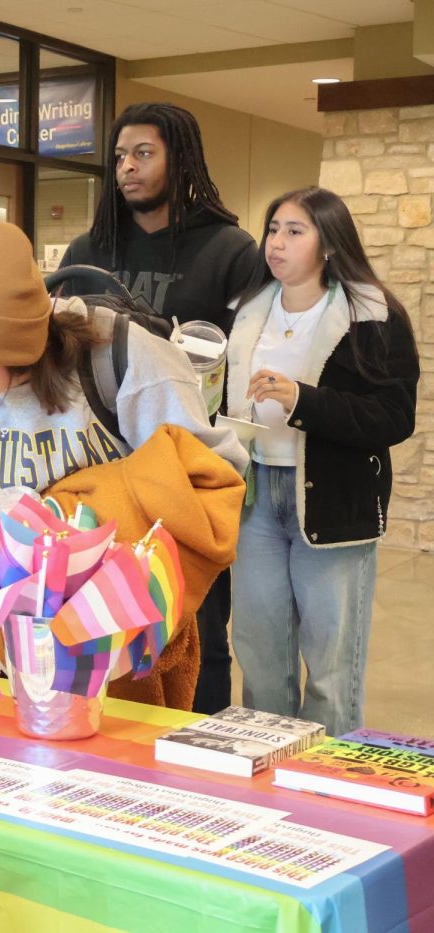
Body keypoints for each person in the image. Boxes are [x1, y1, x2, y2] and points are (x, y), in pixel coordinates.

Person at [0, 218, 246, 685]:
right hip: (2, 608)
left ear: (15, 348)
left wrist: (107, 509)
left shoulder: (123, 360)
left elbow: (210, 480)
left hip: (121, 611)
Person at [60, 101, 259, 714]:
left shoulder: (229, 250)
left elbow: (247, 359)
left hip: (182, 466)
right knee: (93, 624)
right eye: (120, 156)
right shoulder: (87, 247)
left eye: (143, 153)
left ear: (180, 158)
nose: (128, 167)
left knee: (196, 622)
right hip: (95, 471)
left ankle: (202, 744)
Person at [225, 186, 418, 736]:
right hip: (255, 495)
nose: (276, 243)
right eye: (273, 229)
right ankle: (267, 772)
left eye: (295, 231)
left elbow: (393, 416)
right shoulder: (248, 312)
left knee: (331, 663)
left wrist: (302, 400)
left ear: (329, 244)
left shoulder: (373, 315)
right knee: (260, 655)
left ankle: (328, 788)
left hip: (333, 504)